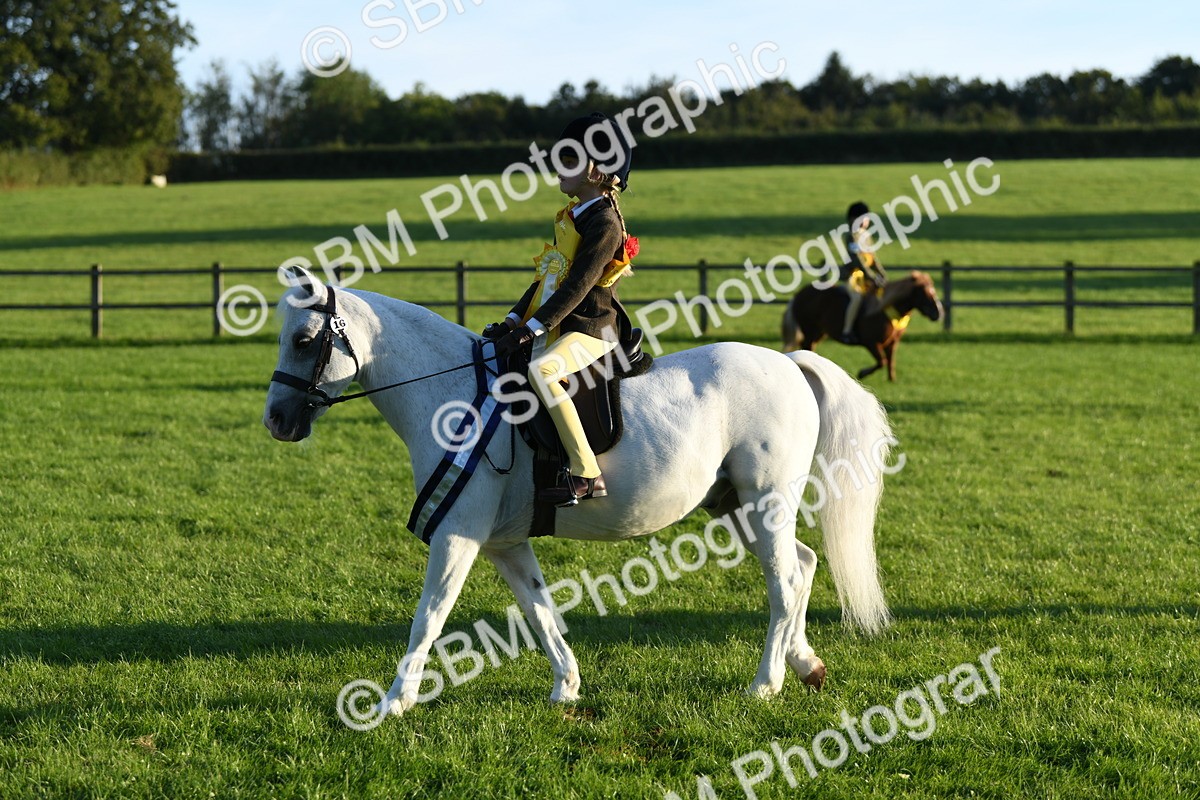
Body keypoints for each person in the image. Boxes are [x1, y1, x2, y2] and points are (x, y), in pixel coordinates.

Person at [482, 113, 639, 507]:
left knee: (543, 371)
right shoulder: (571, 218)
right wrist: (515, 320)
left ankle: (587, 472)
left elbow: (578, 285)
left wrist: (535, 327)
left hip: (594, 329)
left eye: (570, 158)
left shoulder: (604, 223)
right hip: (562, 324)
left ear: (599, 170)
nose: (559, 165)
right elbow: (546, 278)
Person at [839, 201, 888, 344]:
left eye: (866, 218)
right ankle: (846, 331)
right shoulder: (851, 236)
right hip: (853, 275)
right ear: (852, 219)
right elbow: (857, 259)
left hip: (866, 276)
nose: (864, 221)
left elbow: (872, 258)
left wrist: (881, 273)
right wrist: (870, 276)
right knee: (856, 298)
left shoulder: (866, 235)